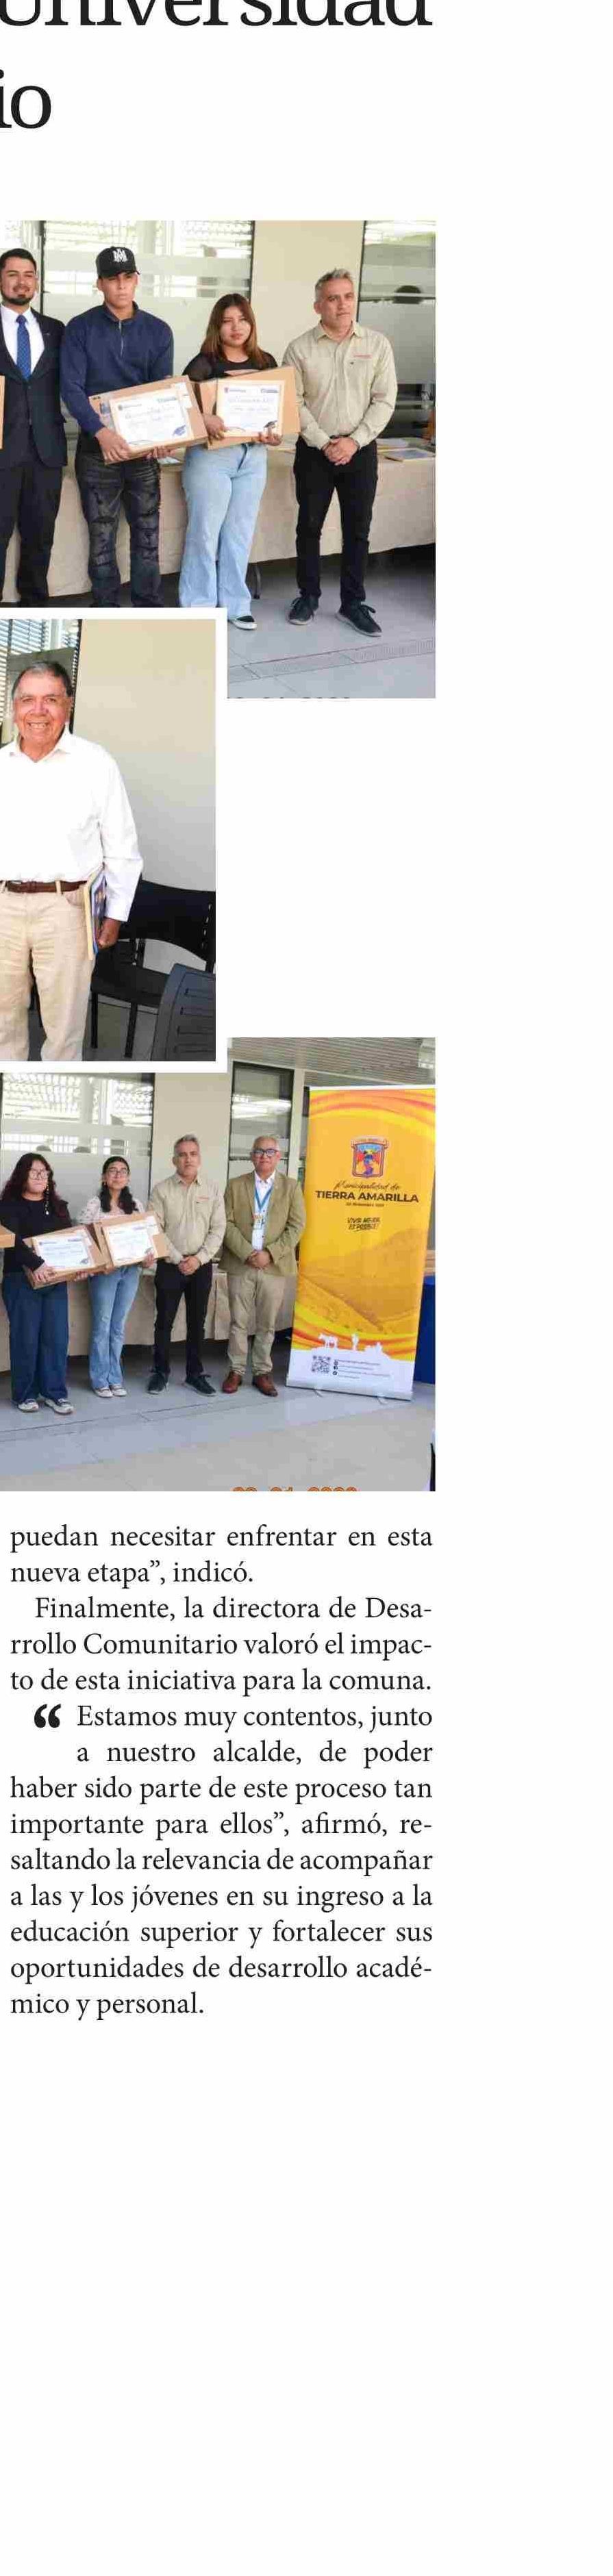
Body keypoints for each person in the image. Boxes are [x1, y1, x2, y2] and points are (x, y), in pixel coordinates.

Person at [0, 657, 142, 1061]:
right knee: (2, 1026)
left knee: (64, 1031)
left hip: (67, 909)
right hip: (3, 907)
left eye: (51, 699)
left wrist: (115, 914)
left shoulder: (96, 764)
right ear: (14, 707)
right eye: (28, 700)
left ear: (68, 704)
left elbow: (122, 847)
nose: (38, 711)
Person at [283, 268, 397, 635]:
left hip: (360, 451)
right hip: (314, 452)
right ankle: (308, 596)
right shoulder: (299, 349)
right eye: (333, 298)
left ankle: (352, 603)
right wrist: (324, 442)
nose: (342, 305)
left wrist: (354, 441)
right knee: (309, 527)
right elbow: (294, 402)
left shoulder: (377, 345)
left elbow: (384, 400)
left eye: (348, 296)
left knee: (358, 529)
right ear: (318, 305)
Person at [60, 247, 174, 607]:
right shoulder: (80, 329)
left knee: (148, 537)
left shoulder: (159, 331)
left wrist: (163, 436)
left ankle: (148, 607)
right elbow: (71, 389)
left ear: (137, 279)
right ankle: (105, 608)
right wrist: (102, 432)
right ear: (100, 284)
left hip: (144, 455)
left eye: (128, 277)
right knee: (102, 540)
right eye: (112, 279)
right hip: (97, 453)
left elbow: (162, 391)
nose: (121, 286)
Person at [179, 294, 280, 626]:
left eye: (243, 319)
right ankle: (199, 606)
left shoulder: (266, 362)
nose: (236, 327)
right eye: (227, 321)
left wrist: (275, 434)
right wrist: (203, 418)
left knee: (240, 533)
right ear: (217, 326)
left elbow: (278, 414)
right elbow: (180, 410)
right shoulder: (203, 363)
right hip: (212, 457)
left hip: (254, 457)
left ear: (252, 323)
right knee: (205, 533)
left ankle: (236, 605)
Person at [0, 244, 66, 609]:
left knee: (40, 537)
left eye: (28, 275)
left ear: (37, 282)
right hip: (1, 450)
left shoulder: (56, 330)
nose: (21, 282)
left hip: (46, 451)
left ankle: (35, 607)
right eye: (13, 274)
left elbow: (75, 385)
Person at [0, 1150, 90, 1417]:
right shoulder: (8, 1205)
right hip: (20, 1280)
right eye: (34, 1172)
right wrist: (35, 1264)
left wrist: (79, 1268)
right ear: (22, 1175)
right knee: (26, 1338)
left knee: (56, 1338)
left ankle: (55, 1393)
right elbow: (12, 1241)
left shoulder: (60, 1207)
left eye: (44, 1172)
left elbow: (71, 1242)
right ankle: (25, 1394)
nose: (40, 1176)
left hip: (55, 1281)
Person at [220, 1137, 305, 1398]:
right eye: (259, 1151)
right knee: (238, 1321)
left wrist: (271, 1254)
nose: (264, 1156)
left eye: (270, 1151)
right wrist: (247, 1253)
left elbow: (297, 1227)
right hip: (241, 1263)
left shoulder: (292, 1187)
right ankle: (236, 1370)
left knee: (267, 1323)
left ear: (279, 1156)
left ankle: (261, 1371)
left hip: (273, 1266)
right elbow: (226, 1222)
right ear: (252, 1155)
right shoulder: (235, 1185)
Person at [148, 1134, 225, 1396]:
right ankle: (160, 1373)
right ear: (174, 1160)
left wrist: (198, 1259)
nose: (188, 1159)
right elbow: (155, 1229)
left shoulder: (212, 1189)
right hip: (170, 1266)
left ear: (199, 1158)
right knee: (164, 1322)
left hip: (201, 1265)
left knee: (197, 1323)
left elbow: (218, 1229)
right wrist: (178, 1258)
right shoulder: (161, 1190)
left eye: (193, 1154)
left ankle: (195, 1374)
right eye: (182, 1154)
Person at [79, 1156, 155, 1399]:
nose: (118, 1175)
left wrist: (148, 1258)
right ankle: (100, 1379)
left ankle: (115, 1378)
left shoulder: (136, 1205)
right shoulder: (94, 1205)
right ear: (104, 1177)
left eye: (123, 1171)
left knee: (118, 1326)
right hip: (105, 1273)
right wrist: (101, 1263)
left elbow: (147, 1239)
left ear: (128, 1178)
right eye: (112, 1170)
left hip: (131, 1271)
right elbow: (83, 1239)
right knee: (102, 1325)